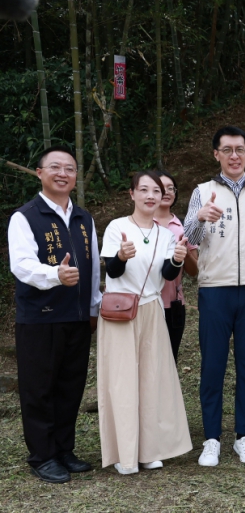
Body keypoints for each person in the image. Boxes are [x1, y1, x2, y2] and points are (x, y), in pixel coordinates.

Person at [184, 125, 245, 467]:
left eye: (240, 149)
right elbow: (187, 238)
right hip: (215, 290)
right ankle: (211, 438)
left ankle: (243, 436)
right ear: (216, 155)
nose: (234, 155)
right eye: (227, 150)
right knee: (213, 365)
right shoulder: (202, 191)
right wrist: (199, 217)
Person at [8, 146, 102, 484]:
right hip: (40, 318)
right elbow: (21, 266)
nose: (63, 173)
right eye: (55, 167)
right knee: (39, 388)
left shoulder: (84, 218)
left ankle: (64, 449)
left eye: (70, 169)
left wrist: (93, 308)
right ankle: (42, 455)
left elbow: (92, 270)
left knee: (70, 386)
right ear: (39, 173)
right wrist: (54, 275)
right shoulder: (26, 216)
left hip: (76, 318)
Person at [97, 171, 192, 475]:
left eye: (158, 190)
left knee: (154, 380)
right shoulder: (117, 227)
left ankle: (151, 450)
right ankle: (126, 454)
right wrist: (122, 256)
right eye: (145, 190)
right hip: (120, 312)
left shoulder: (165, 234)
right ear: (132, 194)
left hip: (152, 309)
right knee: (123, 382)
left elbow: (166, 275)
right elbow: (111, 272)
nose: (152, 196)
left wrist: (178, 259)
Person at [154, 170, 198, 363]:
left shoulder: (183, 227)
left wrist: (184, 250)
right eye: (161, 188)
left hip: (173, 304)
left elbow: (194, 271)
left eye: (171, 188)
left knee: (169, 361)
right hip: (145, 304)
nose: (167, 192)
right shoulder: (139, 224)